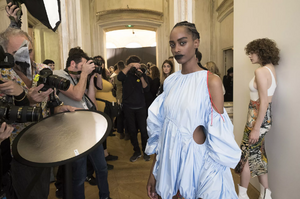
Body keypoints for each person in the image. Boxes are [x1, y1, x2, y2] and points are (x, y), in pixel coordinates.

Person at [145, 21, 241, 199]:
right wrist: (154, 172)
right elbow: (161, 131)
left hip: (199, 166)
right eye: (172, 44)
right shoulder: (170, 82)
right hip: (169, 164)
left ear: (196, 42)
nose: (176, 49)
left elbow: (218, 135)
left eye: (182, 43)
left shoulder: (211, 82)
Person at [54, 50, 111, 199]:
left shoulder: (80, 78)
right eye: (83, 65)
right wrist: (85, 74)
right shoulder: (59, 75)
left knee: (102, 168)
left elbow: (90, 102)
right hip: (74, 132)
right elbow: (76, 95)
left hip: (89, 128)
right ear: (73, 64)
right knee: (79, 174)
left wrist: (90, 79)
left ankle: (105, 196)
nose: (85, 69)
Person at [234, 38, 279, 199]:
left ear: (261, 52)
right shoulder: (270, 69)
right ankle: (266, 194)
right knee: (259, 155)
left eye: (252, 52)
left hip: (256, 119)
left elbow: (263, 101)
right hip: (264, 119)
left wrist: (255, 128)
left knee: (246, 158)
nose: (249, 56)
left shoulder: (260, 72)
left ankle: (242, 195)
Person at [117, 55, 150, 162]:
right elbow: (119, 77)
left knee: (144, 131)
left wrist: (141, 76)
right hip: (128, 107)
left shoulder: (141, 74)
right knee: (132, 131)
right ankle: (136, 151)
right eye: (135, 65)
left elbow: (146, 89)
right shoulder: (126, 75)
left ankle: (145, 151)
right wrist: (130, 66)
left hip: (141, 106)